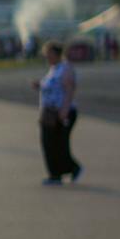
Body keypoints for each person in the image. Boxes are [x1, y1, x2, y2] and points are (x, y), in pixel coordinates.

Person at [33, 42, 81, 185]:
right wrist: (39, 85)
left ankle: (67, 170)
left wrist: (64, 111)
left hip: (61, 112)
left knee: (57, 144)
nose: (46, 56)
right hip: (49, 112)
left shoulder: (65, 68)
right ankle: (57, 173)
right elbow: (52, 87)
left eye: (49, 53)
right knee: (49, 143)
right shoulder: (54, 69)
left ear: (56, 53)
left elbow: (69, 90)